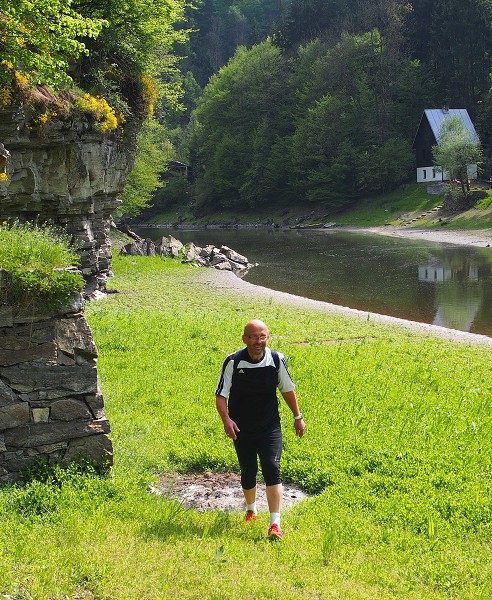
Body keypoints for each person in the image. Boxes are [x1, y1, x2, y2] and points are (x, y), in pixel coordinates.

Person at [215, 319, 305, 541]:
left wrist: (297, 417)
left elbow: (287, 390)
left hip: (269, 426)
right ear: (244, 339)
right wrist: (227, 420)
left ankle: (275, 525)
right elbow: (221, 395)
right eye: (253, 337)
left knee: (272, 468)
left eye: (262, 336)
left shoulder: (276, 359)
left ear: (268, 337)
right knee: (248, 470)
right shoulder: (233, 362)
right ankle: (251, 509)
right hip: (241, 427)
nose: (258, 341)